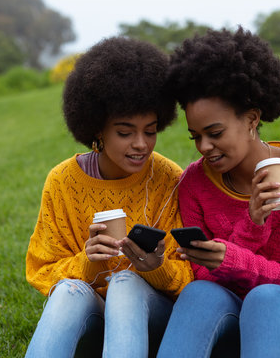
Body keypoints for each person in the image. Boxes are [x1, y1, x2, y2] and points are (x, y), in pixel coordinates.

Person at [157, 28, 280, 358]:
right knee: (199, 291)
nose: (204, 147)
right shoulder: (194, 184)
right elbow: (203, 274)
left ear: (252, 119)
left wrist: (233, 256)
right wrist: (251, 226)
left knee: (266, 298)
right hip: (232, 318)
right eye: (195, 137)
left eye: (214, 133)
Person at [25, 37, 193, 358]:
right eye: (125, 132)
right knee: (67, 292)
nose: (141, 144)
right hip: (94, 316)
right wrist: (87, 263)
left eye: (151, 130)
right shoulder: (62, 181)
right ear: (98, 128)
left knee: (125, 283)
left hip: (152, 317)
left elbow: (192, 277)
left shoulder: (169, 178)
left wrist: (154, 267)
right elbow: (41, 269)